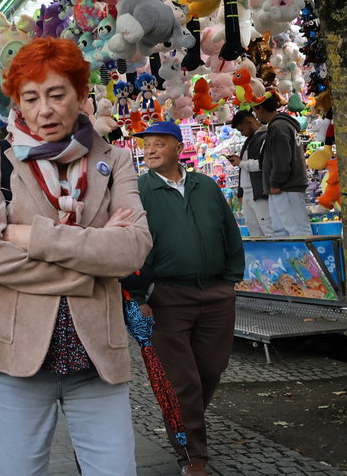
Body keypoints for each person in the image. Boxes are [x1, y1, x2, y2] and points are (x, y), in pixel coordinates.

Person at [0, 38, 153, 476]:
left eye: (56, 94)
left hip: (96, 359)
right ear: (17, 105)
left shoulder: (115, 160)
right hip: (14, 359)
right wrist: (90, 269)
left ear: (81, 97)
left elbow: (134, 248)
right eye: (30, 98)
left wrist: (30, 235)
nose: (44, 109)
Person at [133, 121, 245, 476]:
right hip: (165, 298)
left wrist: (230, 281)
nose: (149, 150)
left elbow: (229, 232)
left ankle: (184, 418)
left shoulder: (205, 185)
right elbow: (132, 245)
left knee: (211, 370)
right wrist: (139, 295)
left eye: (157, 144)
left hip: (215, 294)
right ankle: (193, 457)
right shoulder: (139, 191)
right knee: (182, 381)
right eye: (146, 145)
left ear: (177, 147)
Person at [252, 94, 311, 237]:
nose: (255, 114)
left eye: (255, 110)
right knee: (283, 231)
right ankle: (293, 260)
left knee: (296, 231)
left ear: (262, 109)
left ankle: (308, 260)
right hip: (283, 188)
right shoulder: (279, 125)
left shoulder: (279, 127)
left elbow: (282, 160)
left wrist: (275, 183)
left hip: (286, 187)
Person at [227, 110, 272, 238]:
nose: (242, 134)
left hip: (259, 190)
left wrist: (241, 162)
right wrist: (240, 192)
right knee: (254, 230)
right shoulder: (249, 141)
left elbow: (264, 164)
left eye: (242, 130)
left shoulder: (265, 137)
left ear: (249, 122)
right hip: (247, 193)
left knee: (267, 227)